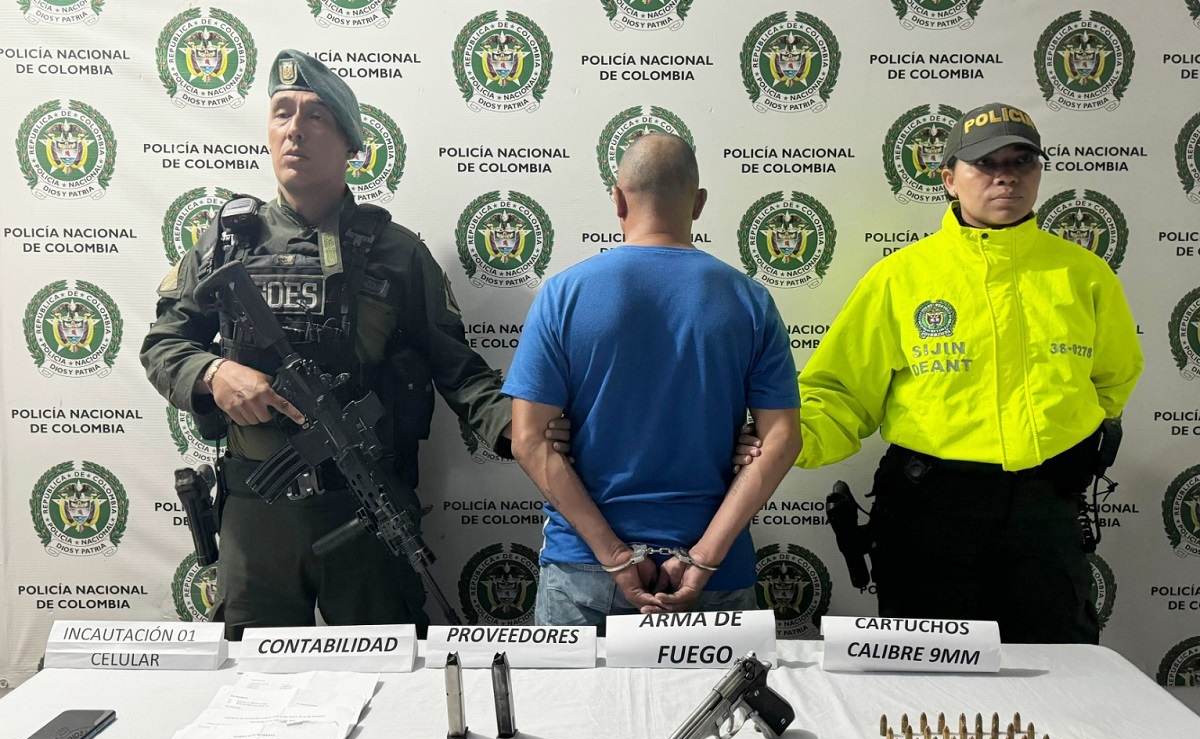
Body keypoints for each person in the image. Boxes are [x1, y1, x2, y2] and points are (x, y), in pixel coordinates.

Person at [141, 50, 518, 640]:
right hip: (257, 515)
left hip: (366, 506)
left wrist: (518, 430)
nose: (294, 129)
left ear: (352, 144)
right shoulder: (224, 245)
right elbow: (164, 345)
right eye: (282, 113)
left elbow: (458, 369)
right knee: (253, 681)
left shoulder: (397, 252)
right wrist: (214, 374)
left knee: (388, 669)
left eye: (316, 116)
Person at [737, 102, 1142, 644]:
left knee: (1060, 666)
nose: (1005, 176)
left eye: (1021, 161)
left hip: (1044, 513)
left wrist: (1063, 438)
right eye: (985, 163)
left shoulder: (1084, 276)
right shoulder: (900, 277)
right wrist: (785, 441)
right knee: (928, 673)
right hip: (931, 512)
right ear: (949, 179)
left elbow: (1112, 379)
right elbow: (840, 393)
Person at [503, 134, 803, 631]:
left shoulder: (563, 294)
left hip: (584, 569)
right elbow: (782, 440)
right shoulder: (750, 300)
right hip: (715, 572)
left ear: (618, 200)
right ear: (699, 203)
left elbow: (528, 441)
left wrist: (615, 557)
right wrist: (702, 559)